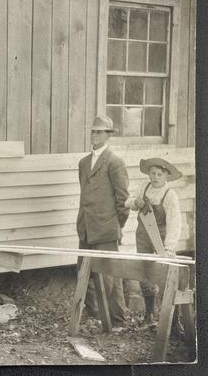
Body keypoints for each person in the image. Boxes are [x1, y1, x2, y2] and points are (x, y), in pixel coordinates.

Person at [76, 115, 129, 328]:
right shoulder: (83, 163)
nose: (94, 135)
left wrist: (115, 226)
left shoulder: (115, 162)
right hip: (86, 227)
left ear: (108, 135)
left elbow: (123, 201)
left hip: (106, 229)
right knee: (84, 273)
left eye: (99, 132)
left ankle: (116, 320)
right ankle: (95, 315)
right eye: (93, 131)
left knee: (109, 276)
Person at [125, 158, 182, 325]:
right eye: (153, 173)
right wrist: (135, 202)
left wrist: (169, 248)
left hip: (161, 238)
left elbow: (175, 223)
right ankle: (149, 315)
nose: (155, 177)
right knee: (145, 273)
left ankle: (171, 320)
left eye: (159, 174)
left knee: (166, 275)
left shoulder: (169, 195)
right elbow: (128, 202)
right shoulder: (144, 187)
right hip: (142, 236)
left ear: (166, 177)